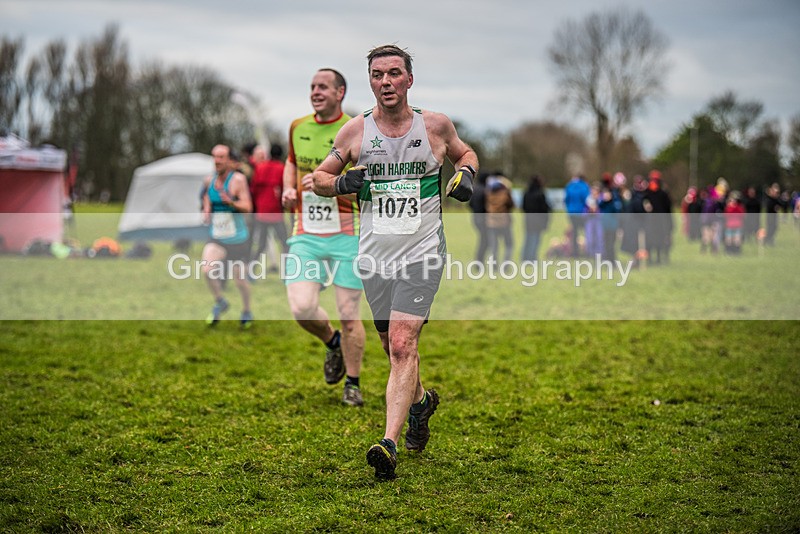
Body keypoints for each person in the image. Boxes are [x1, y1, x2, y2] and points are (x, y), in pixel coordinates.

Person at [311, 44, 479, 480]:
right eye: (377, 75)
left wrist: (466, 175)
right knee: (391, 348)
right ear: (370, 81)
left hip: (422, 253)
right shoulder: (355, 133)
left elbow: (466, 153)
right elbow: (320, 180)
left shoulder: (435, 126)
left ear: (408, 80)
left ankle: (387, 443)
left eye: (393, 73)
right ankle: (421, 405)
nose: (385, 82)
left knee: (404, 344)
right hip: (374, 258)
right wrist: (342, 181)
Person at [281, 68, 366, 407]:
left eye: (323, 87)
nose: (316, 92)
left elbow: (363, 185)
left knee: (348, 313)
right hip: (307, 232)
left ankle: (353, 384)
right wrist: (289, 188)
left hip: (348, 230)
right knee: (302, 308)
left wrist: (328, 186)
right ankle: (333, 343)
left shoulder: (356, 130)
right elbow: (291, 162)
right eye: (312, 87)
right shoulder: (297, 127)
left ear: (340, 92)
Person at [201, 144, 254, 328]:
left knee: (240, 281)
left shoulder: (237, 180)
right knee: (207, 270)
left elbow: (248, 207)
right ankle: (220, 301)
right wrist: (207, 209)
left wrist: (232, 203)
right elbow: (207, 197)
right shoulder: (209, 181)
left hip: (238, 240)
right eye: (214, 156)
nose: (217, 160)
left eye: (221, 157)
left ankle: (246, 310)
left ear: (230, 160)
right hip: (217, 237)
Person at [250, 144, 288, 272]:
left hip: (261, 212)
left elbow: (253, 189)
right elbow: (284, 189)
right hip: (276, 212)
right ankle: (288, 271)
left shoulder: (260, 167)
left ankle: (251, 270)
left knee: (261, 245)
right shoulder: (281, 168)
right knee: (284, 243)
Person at [485, 173, 515, 263]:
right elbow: (512, 205)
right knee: (509, 245)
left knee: (494, 246)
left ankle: (494, 266)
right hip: (504, 222)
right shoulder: (505, 195)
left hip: (491, 223)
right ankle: (506, 264)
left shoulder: (488, 194)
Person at [521, 174, 550, 262]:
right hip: (538, 220)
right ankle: (532, 258)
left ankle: (525, 257)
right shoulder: (540, 194)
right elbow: (544, 208)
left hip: (528, 219)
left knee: (528, 239)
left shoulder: (526, 193)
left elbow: (523, 207)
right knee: (535, 240)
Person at [564, 174, 590, 257]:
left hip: (572, 213)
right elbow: (587, 200)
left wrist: (569, 209)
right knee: (587, 232)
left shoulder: (570, 186)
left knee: (574, 233)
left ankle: (575, 252)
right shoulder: (584, 187)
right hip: (582, 213)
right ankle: (587, 251)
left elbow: (566, 199)